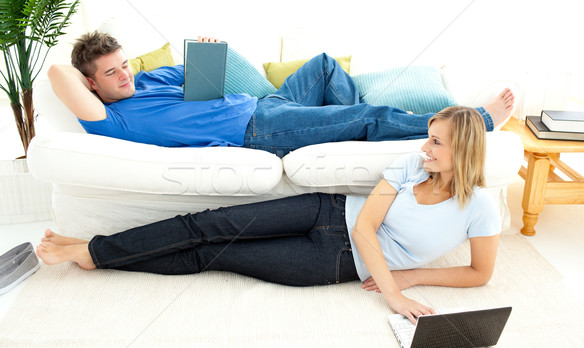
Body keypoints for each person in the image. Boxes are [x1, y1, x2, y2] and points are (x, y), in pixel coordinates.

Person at [37, 105, 501, 324]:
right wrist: (394, 295)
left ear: (463, 148)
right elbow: (365, 227)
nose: (425, 147)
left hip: (334, 263)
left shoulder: (478, 207)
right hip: (328, 211)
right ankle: (94, 253)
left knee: (213, 255)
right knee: (205, 223)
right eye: (428, 136)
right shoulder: (409, 166)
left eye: (436, 141)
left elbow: (480, 273)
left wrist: (413, 277)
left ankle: (94, 255)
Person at [47, 31, 515, 157]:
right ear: (92, 84)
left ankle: (352, 126)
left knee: (325, 66)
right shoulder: (109, 119)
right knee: (368, 114)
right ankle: (477, 120)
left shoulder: (152, 79)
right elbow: (55, 72)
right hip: (258, 132)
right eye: (112, 73)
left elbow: (204, 85)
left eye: (126, 64)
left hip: (266, 107)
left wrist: (209, 55)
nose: (127, 76)